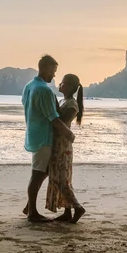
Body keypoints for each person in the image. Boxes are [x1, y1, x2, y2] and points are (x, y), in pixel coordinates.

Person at [22, 55, 75, 222]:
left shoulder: (29, 86)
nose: (54, 75)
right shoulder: (44, 90)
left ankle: (29, 206)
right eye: (53, 71)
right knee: (37, 174)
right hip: (44, 137)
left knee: (43, 171)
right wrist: (68, 133)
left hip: (33, 134)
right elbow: (53, 118)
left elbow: (26, 106)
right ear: (44, 68)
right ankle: (32, 213)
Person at [46, 74, 86, 224]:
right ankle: (67, 212)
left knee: (61, 180)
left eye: (62, 83)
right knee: (60, 178)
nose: (60, 84)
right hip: (58, 144)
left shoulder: (72, 105)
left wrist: (53, 104)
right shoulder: (66, 101)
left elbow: (61, 123)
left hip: (63, 146)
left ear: (69, 86)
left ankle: (77, 207)